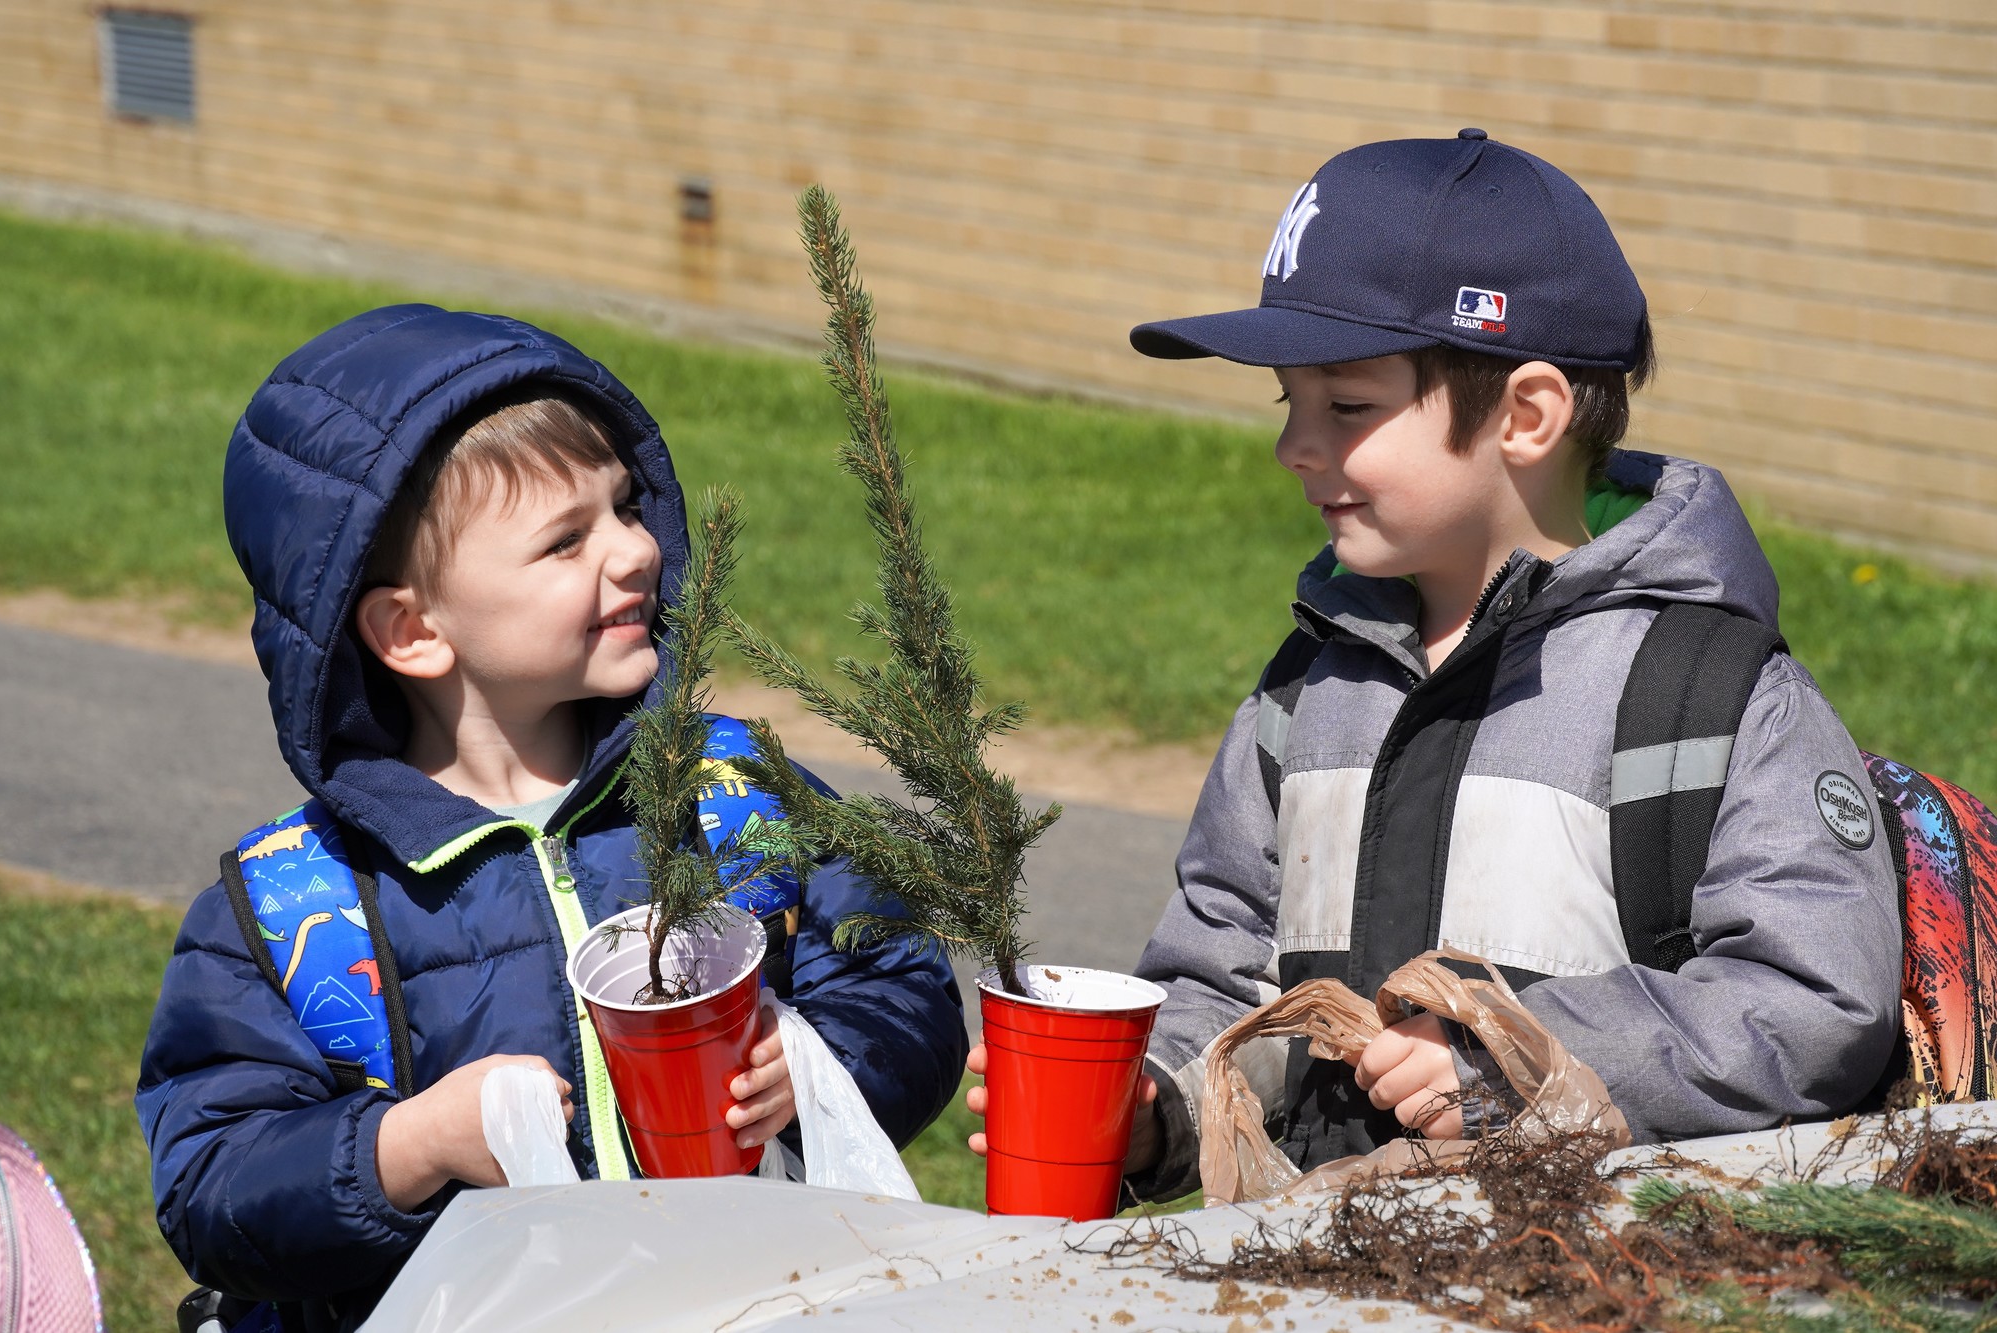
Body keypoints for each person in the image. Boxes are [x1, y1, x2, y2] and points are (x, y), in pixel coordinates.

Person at [967, 129, 1900, 1202]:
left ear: (1528, 414)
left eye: (1346, 407)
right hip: (1305, 1281)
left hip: (1594, 1282)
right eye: (1289, 403)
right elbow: (1224, 966)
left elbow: (1811, 996)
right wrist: (1155, 1107)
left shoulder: (1706, 699)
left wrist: (1519, 1057)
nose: (1294, 446)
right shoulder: (1308, 687)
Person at [137, 305, 968, 1330]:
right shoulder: (292, 905)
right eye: (564, 540)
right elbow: (213, 1188)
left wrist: (818, 1058)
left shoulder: (731, 794)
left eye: (624, 506)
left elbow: (900, 981)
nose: (632, 551)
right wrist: (409, 1146)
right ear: (412, 630)